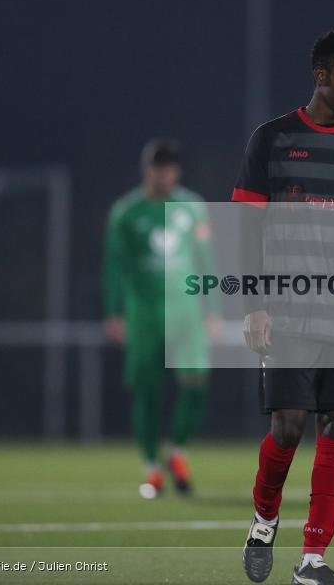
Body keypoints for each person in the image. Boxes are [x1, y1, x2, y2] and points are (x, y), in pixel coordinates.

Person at [234, 31, 334, 585]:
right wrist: (254, 305)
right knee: (288, 426)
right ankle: (263, 519)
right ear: (321, 75)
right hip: (285, 310)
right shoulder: (272, 139)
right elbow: (246, 228)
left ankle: (312, 561)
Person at [103, 139, 221, 498]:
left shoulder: (193, 207)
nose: (164, 174)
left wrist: (213, 309)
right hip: (145, 314)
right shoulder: (127, 211)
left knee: (196, 382)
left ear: (177, 171)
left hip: (186, 312)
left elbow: (206, 260)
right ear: (146, 170)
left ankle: (178, 452)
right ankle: (152, 468)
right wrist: (113, 311)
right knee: (148, 391)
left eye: (169, 168)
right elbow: (113, 266)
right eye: (157, 168)